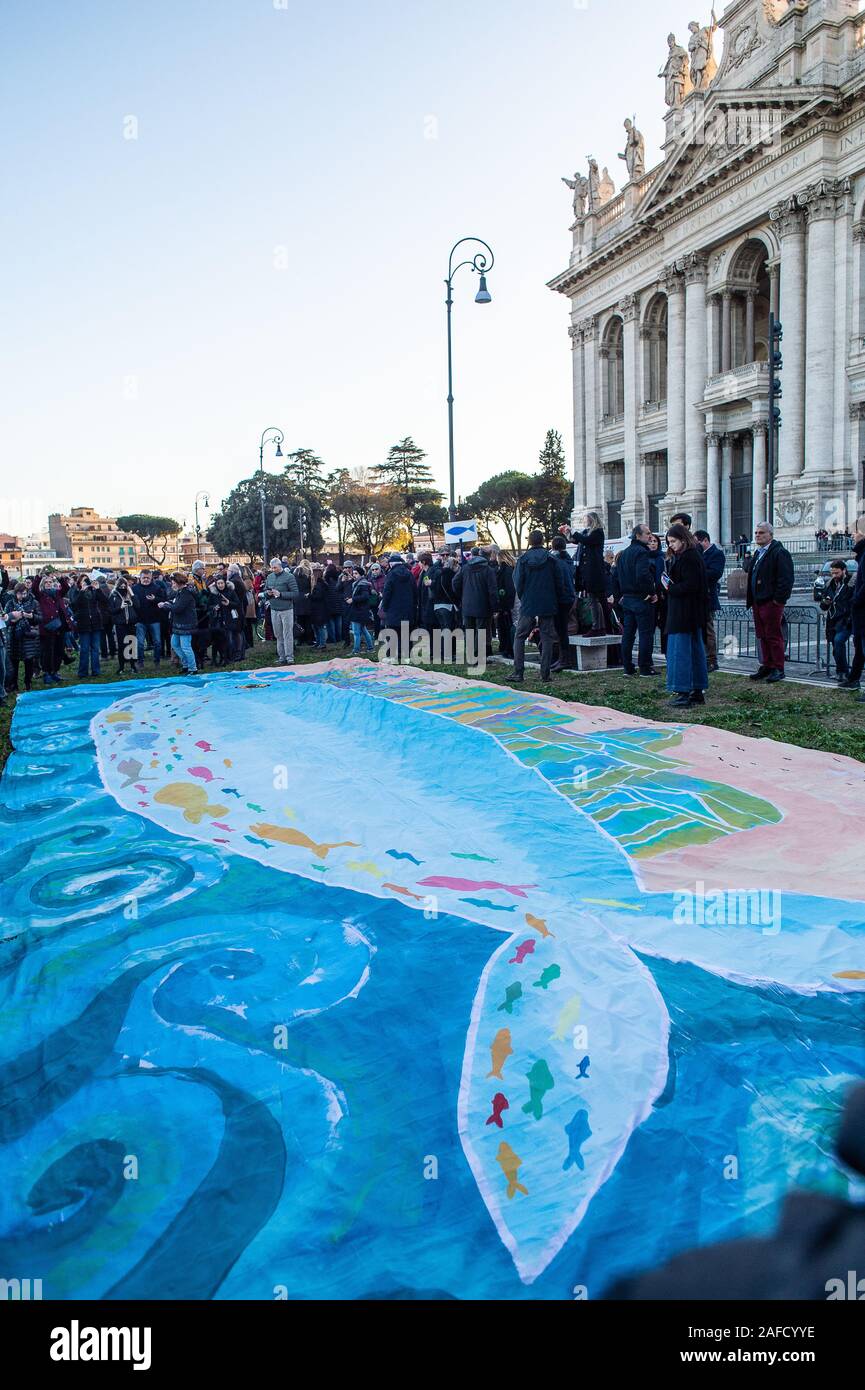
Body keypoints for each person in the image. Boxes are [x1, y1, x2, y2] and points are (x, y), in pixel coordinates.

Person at [511, 531, 568, 683]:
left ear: (529, 542)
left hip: (529, 603)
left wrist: (524, 597)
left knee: (520, 636)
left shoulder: (522, 560)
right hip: (548, 603)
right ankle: (545, 674)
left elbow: (517, 582)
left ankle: (518, 672)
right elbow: (559, 582)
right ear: (542, 541)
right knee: (547, 637)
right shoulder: (551, 559)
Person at [663, 523, 709, 708]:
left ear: (683, 539)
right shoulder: (687, 556)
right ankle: (696, 690)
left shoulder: (689, 557)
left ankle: (683, 691)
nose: (671, 545)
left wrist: (670, 587)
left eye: (673, 541)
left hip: (685, 612)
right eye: (669, 542)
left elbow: (691, 585)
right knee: (693, 652)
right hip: (689, 612)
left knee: (681, 653)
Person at [746, 521, 795, 684]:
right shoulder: (758, 553)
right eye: (756, 533)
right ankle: (767, 664)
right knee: (762, 635)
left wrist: (777, 600)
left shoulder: (779, 553)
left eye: (761, 533)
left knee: (774, 635)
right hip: (757, 602)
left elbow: (786, 579)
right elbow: (749, 570)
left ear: (770, 535)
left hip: (770, 602)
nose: (757, 535)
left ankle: (778, 667)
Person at [615, 524, 658, 676]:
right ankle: (645, 667)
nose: (650, 536)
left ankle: (627, 666)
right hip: (641, 598)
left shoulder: (624, 553)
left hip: (627, 598)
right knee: (646, 634)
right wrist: (652, 593)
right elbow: (643, 575)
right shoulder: (641, 552)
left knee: (628, 634)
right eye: (647, 533)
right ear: (638, 536)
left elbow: (618, 576)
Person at [694, 529, 726, 673]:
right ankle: (701, 657)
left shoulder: (716, 554)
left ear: (705, 540)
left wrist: (695, 574)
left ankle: (712, 660)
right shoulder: (697, 554)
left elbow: (715, 573)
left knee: (708, 630)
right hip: (696, 597)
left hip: (708, 597)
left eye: (697, 543)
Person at [840, 516, 865, 694]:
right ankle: (853, 678)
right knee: (859, 647)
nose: (853, 535)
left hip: (862, 610)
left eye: (856, 532)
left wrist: (855, 600)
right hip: (859, 612)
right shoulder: (861, 555)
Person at [453, 547, 498, 644]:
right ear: (488, 557)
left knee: (469, 632)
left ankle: (471, 656)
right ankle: (479, 657)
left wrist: (462, 595)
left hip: (467, 605)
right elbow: (493, 591)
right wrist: (495, 608)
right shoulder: (488, 570)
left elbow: (455, 582)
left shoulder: (465, 568)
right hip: (483, 606)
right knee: (481, 633)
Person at [69, 574, 111, 677]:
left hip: (96, 622)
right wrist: (82, 591)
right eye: (83, 581)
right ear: (79, 583)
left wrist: (98, 589)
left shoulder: (93, 591)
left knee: (95, 648)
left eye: (87, 581)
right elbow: (74, 605)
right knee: (84, 649)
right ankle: (83, 672)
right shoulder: (76, 591)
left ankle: (96, 671)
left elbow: (105, 601)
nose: (86, 583)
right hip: (83, 623)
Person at [820, 559, 854, 682]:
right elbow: (823, 605)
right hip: (833, 619)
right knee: (836, 646)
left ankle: (844, 671)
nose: (834, 576)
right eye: (832, 573)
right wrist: (825, 602)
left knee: (839, 641)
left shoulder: (851, 583)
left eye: (837, 573)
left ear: (844, 570)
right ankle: (841, 671)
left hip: (847, 619)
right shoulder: (830, 583)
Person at [158, 573, 198, 675]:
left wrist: (165, 605)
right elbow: (175, 602)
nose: (172, 585)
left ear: (179, 583)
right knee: (175, 644)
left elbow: (178, 608)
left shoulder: (186, 593)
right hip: (178, 624)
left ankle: (193, 668)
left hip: (186, 624)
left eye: (173, 583)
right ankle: (186, 665)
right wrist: (168, 603)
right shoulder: (180, 592)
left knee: (186, 647)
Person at [264, 557, 300, 666]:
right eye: (272, 568)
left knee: (287, 633)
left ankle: (289, 657)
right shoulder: (269, 577)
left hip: (287, 609)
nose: (273, 569)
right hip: (274, 609)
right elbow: (265, 590)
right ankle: (281, 656)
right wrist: (267, 594)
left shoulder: (289, 577)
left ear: (280, 566)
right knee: (278, 634)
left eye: (275, 567)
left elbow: (295, 593)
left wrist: (281, 594)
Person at [549, 536, 577, 671]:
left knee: (561, 631)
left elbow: (558, 582)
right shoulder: (567, 559)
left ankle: (564, 659)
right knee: (562, 630)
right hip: (569, 597)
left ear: (553, 546)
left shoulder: (555, 561)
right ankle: (562, 658)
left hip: (561, 599)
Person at [381, 553, 416, 660]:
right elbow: (415, 590)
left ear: (391, 564)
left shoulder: (391, 575)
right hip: (408, 609)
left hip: (393, 609)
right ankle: (406, 656)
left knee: (393, 633)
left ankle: (392, 655)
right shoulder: (409, 574)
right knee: (406, 633)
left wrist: (384, 606)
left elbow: (387, 592)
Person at [132, 569, 166, 668]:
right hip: (140, 620)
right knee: (140, 643)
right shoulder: (134, 589)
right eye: (144, 578)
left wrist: (154, 599)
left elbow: (163, 600)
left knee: (157, 642)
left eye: (148, 578)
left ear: (151, 578)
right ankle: (140, 661)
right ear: (140, 578)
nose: (146, 579)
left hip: (154, 619)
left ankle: (157, 661)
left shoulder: (157, 588)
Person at [108, 576, 141, 674]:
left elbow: (138, 606)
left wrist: (131, 594)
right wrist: (120, 607)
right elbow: (110, 610)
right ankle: (121, 667)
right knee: (122, 646)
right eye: (121, 586)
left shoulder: (130, 594)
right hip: (120, 624)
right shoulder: (113, 595)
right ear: (117, 586)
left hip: (131, 623)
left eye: (125, 586)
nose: (123, 588)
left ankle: (133, 666)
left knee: (132, 645)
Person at [489, 548, 516, 657]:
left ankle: (508, 649)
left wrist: (503, 605)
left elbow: (506, 589)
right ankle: (507, 648)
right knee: (507, 627)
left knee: (506, 628)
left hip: (506, 604)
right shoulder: (511, 569)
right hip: (510, 603)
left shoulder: (505, 570)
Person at [347, 570, 376, 655]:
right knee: (363, 630)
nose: (354, 575)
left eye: (356, 573)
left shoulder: (362, 584)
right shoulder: (359, 583)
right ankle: (370, 648)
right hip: (360, 610)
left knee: (356, 632)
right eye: (354, 573)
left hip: (359, 610)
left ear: (361, 574)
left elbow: (365, 596)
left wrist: (353, 599)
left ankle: (356, 650)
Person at [308, 564, 330, 650]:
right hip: (317, 608)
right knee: (316, 626)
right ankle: (318, 642)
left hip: (319, 608)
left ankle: (322, 643)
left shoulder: (320, 583)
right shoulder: (320, 583)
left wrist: (309, 595)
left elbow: (318, 596)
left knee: (319, 626)